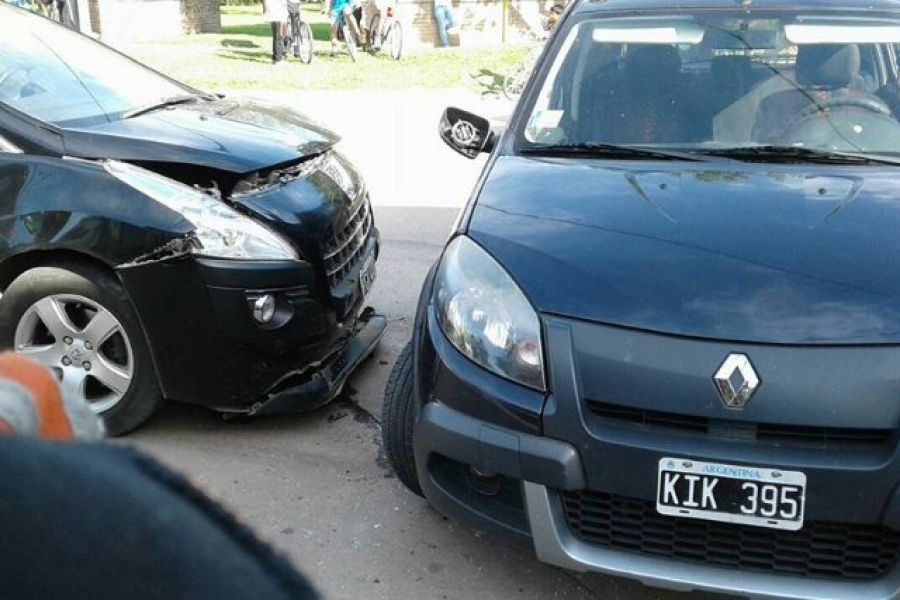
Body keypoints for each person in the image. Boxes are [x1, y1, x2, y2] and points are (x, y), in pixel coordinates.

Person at [265, 0, 289, 64]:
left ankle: (278, 56)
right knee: (278, 36)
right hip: (276, 15)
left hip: (281, 15)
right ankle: (277, 59)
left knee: (281, 36)